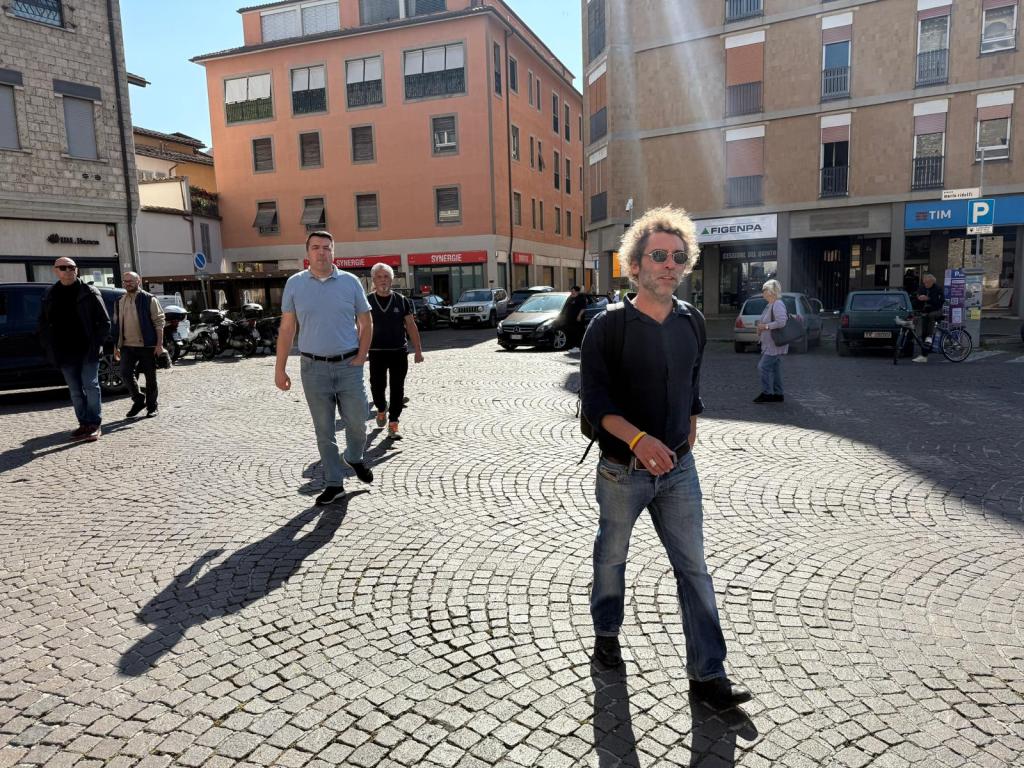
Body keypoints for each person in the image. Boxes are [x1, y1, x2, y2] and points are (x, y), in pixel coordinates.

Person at [580, 206, 751, 709]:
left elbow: (692, 386)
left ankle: (708, 675)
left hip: (679, 471)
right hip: (621, 471)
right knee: (611, 557)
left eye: (678, 257)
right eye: (658, 256)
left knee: (694, 569)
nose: (669, 265)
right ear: (634, 265)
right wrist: (639, 441)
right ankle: (607, 633)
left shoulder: (692, 322)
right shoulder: (606, 328)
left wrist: (686, 433)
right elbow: (596, 407)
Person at [275, 231, 374, 506]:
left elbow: (366, 323)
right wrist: (279, 368)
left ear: (334, 252)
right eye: (316, 248)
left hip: (349, 365)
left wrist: (362, 356)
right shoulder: (294, 284)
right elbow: (287, 329)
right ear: (307, 252)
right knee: (324, 430)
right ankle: (334, 483)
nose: (322, 253)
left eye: (327, 248)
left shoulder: (351, 282)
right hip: (312, 368)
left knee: (358, 420)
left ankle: (353, 456)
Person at [37, 257, 111, 441]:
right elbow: (43, 323)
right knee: (75, 391)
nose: (68, 270)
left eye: (72, 267)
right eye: (63, 267)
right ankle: (83, 424)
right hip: (63, 351)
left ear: (77, 270)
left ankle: (94, 424)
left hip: (88, 350)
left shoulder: (89, 291)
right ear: (55, 271)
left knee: (91, 386)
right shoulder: (50, 294)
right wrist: (48, 344)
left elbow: (105, 322)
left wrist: (97, 344)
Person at [367, 264, 424, 440]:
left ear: (391, 280)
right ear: (374, 280)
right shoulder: (366, 301)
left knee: (397, 388)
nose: (383, 280)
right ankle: (381, 408)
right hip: (376, 352)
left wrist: (418, 351)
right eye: (379, 277)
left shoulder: (401, 300)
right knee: (377, 386)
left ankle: (394, 423)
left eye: (386, 277)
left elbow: (411, 326)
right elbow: (360, 327)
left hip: (398, 351)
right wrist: (358, 350)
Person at [113, 271, 165, 418]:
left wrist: (159, 344)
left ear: (139, 281)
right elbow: (116, 325)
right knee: (125, 373)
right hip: (126, 346)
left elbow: (159, 322)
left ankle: (152, 407)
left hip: (147, 345)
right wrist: (116, 346)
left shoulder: (149, 299)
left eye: (130, 281)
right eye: (125, 281)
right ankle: (138, 399)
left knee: (150, 377)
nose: (127, 283)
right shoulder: (119, 301)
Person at [754, 280, 788, 403]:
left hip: (774, 344)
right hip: (770, 343)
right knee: (775, 369)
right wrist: (760, 327)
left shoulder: (778, 304)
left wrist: (765, 327)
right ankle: (778, 394)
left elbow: (781, 322)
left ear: (771, 291)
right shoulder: (770, 305)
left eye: (764, 290)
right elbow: (765, 322)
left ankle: (767, 393)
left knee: (763, 367)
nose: (763, 292)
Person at [912, 273, 943, 364]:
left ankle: (930, 336)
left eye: (927, 283)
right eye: (924, 282)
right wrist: (918, 298)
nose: (925, 284)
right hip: (925, 311)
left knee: (931, 316)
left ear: (932, 282)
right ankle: (924, 356)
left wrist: (928, 299)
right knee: (923, 333)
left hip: (937, 310)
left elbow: (940, 302)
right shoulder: (922, 288)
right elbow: (916, 296)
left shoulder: (938, 288)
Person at [565, 285, 588, 352]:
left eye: (573, 291)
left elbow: (583, 308)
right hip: (571, 319)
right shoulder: (571, 298)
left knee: (578, 333)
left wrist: (579, 316)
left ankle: (578, 347)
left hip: (578, 320)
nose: (571, 292)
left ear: (577, 291)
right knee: (572, 333)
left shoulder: (581, 298)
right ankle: (574, 346)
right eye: (571, 291)